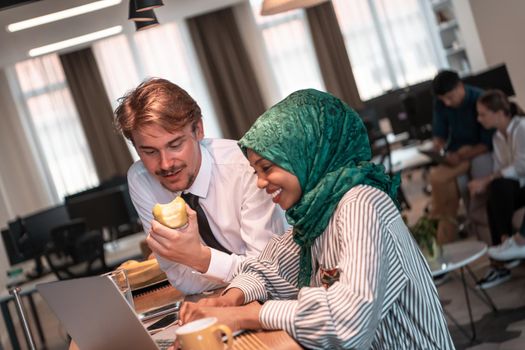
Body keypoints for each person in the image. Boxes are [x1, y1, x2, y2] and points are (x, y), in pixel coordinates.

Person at [179, 89, 454, 349]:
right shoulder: (317, 213)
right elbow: (269, 267)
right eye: (255, 172)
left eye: (267, 168)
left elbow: (348, 322)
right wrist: (231, 299)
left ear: (305, 154)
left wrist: (253, 315)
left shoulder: (362, 203)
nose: (261, 183)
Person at [114, 78, 286, 294]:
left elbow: (269, 274)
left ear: (198, 130)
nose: (166, 164)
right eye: (149, 152)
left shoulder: (245, 168)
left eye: (175, 145)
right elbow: (182, 280)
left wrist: (197, 258)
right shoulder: (141, 180)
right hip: (214, 299)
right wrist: (224, 271)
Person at [467, 90, 525, 289]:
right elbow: (500, 170)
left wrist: (488, 180)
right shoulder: (497, 138)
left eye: (483, 114)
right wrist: (487, 182)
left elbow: (520, 167)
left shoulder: (521, 128)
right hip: (513, 189)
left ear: (500, 112)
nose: (478, 119)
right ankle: (504, 247)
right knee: (496, 190)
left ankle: (505, 253)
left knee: (497, 185)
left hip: (523, 185)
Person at [430, 70, 494, 244]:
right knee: (445, 183)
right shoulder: (441, 101)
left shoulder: (479, 99)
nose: (447, 103)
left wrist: (461, 156)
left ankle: (488, 241)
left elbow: (487, 142)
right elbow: (440, 133)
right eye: (443, 100)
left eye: (450, 97)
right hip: (456, 154)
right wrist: (439, 146)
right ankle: (445, 235)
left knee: (465, 181)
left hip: (479, 151)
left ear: (460, 87)